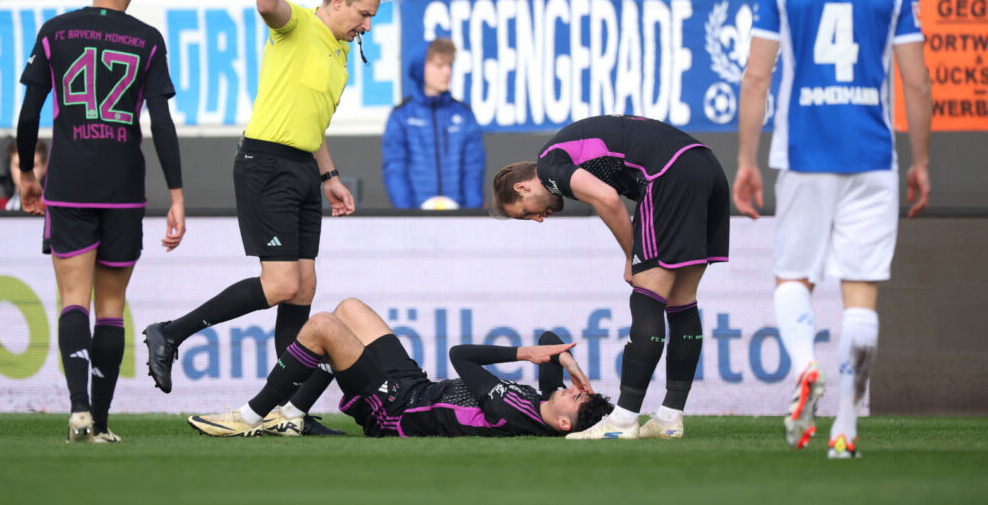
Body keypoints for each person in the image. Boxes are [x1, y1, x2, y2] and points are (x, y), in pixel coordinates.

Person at [144, 0, 391, 440]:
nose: (367, 26)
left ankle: (289, 414)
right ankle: (171, 332)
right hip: (265, 165)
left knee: (303, 288)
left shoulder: (341, 51)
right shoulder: (298, 24)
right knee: (281, 285)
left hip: (302, 168)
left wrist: (329, 177)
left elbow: (314, 122)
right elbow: (264, 2)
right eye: (364, 14)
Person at [733, 0, 932, 459]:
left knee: (794, 277)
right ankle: (846, 425)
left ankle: (803, 368)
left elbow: (756, 77)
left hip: (806, 152)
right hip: (873, 155)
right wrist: (920, 160)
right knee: (861, 293)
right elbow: (918, 84)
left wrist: (746, 159)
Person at [16, 0, 186, 443]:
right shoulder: (148, 39)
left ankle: (79, 413)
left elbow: (29, 114)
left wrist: (27, 173)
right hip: (123, 186)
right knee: (112, 306)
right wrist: (176, 194)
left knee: (73, 300)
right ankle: (104, 423)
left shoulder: (55, 31)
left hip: (68, 182)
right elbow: (162, 122)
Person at [493, 114, 730, 439]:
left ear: (522, 187)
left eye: (526, 211)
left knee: (648, 296)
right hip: (706, 167)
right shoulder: (563, 157)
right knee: (681, 301)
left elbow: (607, 198)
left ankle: (623, 420)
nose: (538, 218)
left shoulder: (548, 168)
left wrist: (632, 257)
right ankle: (670, 417)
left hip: (668, 173)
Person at [185, 297, 613, 438]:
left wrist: (523, 354)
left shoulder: (514, 414)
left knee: (322, 327)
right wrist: (564, 359)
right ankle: (294, 417)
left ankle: (247, 419)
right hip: (413, 386)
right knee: (349, 308)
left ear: (562, 423)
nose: (569, 390)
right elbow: (548, 344)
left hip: (393, 411)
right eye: (577, 390)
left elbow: (461, 355)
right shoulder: (544, 405)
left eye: (575, 398)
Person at [382, 38, 486, 209]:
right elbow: (395, 169)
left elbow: (473, 169)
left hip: (460, 220)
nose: (447, 72)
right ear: (420, 69)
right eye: (439, 66)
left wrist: (472, 213)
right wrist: (406, 214)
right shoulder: (400, 116)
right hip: (414, 220)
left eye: (449, 65)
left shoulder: (464, 115)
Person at [0, 137, 47, 211]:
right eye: (19, 166)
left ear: (45, 167)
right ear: (9, 167)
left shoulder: (55, 210)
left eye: (32, 166)